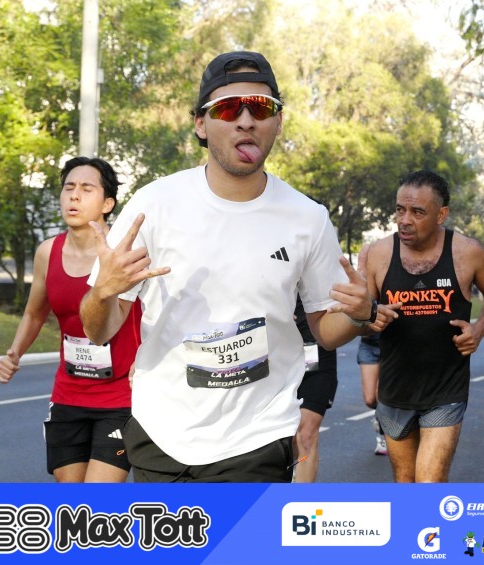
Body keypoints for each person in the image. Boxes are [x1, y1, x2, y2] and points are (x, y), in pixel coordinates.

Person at [79, 51, 396, 483]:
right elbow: (98, 332)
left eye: (261, 108)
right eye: (229, 108)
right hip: (162, 433)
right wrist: (102, 292)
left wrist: (359, 316)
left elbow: (325, 329)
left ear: (277, 122)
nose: (246, 120)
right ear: (201, 124)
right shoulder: (154, 205)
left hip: (258, 436)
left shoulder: (307, 218)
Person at [0, 157, 142, 482]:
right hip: (69, 392)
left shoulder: (125, 253)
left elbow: (157, 311)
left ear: (107, 203)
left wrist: (147, 356)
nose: (74, 195)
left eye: (86, 189)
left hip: (120, 395)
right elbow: (35, 312)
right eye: (68, 187)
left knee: (97, 498)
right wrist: (15, 353)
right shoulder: (48, 252)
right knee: (70, 496)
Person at [364, 170, 484, 482]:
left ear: (441, 215)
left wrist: (479, 329)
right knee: (405, 483)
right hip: (395, 390)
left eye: (417, 212)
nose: (405, 220)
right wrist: (369, 318)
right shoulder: (378, 254)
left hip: (446, 390)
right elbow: (363, 323)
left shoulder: (467, 252)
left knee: (429, 483)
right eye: (400, 210)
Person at [293, 296, 338, 482]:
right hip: (277, 354)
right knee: (283, 437)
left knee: (306, 434)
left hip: (316, 352)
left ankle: (301, 496)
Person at [356, 243, 387, 455]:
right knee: (370, 398)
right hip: (369, 343)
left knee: (382, 394)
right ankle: (381, 418)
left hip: (390, 343)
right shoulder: (358, 281)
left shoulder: (388, 275)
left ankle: (385, 436)